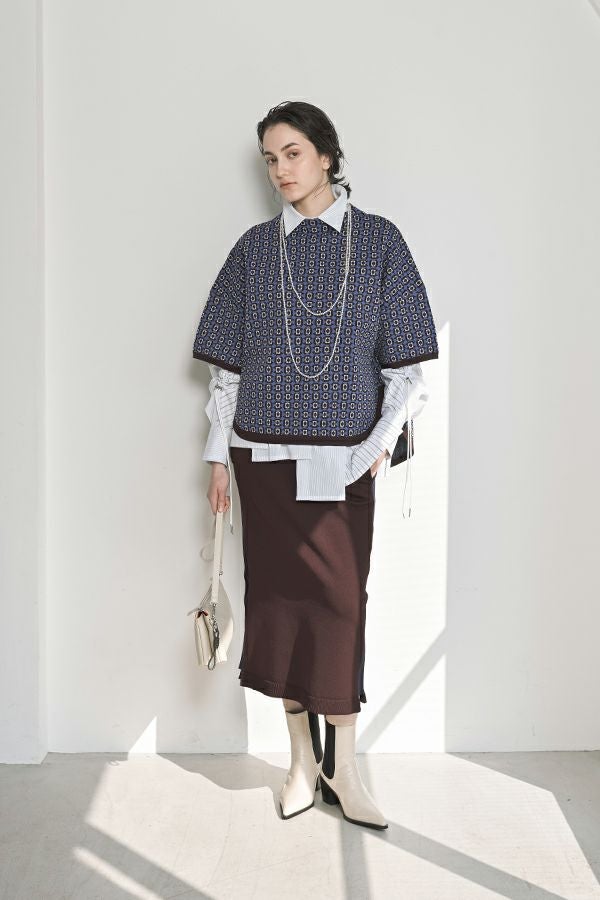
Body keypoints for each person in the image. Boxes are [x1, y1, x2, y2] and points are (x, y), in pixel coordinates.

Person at [192, 100, 438, 829]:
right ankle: (302, 762)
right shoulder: (252, 250)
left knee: (340, 606)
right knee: (278, 605)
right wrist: (217, 459)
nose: (281, 170)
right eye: (270, 159)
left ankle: (344, 768)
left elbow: (406, 373)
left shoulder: (381, 243)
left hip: (346, 461)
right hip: (263, 457)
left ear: (327, 155)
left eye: (292, 153)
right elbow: (226, 373)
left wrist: (371, 452)